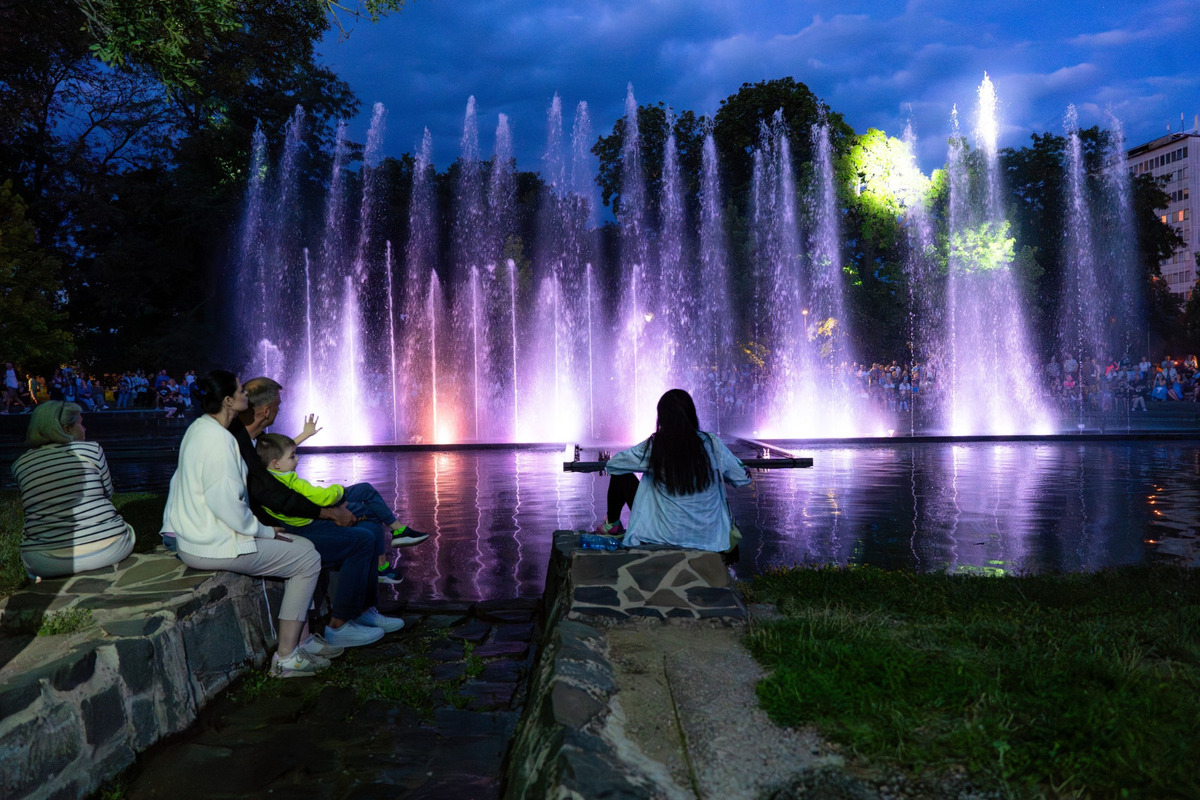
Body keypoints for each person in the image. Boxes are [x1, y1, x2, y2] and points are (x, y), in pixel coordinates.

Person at [160, 370, 334, 678]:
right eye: (241, 391)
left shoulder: (201, 429)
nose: (246, 395)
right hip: (210, 543)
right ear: (228, 401)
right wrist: (264, 530)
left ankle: (302, 642)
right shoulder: (220, 443)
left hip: (199, 536)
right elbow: (226, 505)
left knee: (302, 546)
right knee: (307, 557)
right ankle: (286, 657)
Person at [231, 376, 404, 646]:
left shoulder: (257, 441)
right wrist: (328, 512)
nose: (279, 410)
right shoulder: (239, 446)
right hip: (283, 526)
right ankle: (339, 624)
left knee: (370, 527)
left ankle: (364, 611)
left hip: (295, 515)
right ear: (266, 411)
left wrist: (329, 507)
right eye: (278, 405)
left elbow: (284, 482)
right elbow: (275, 497)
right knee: (362, 539)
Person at [256, 432, 428, 584]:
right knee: (371, 511)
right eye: (293, 456)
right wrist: (338, 490)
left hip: (312, 506)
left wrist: (305, 434)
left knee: (366, 490)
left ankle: (396, 536)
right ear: (276, 463)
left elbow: (279, 452)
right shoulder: (293, 482)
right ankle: (384, 562)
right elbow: (324, 497)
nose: (298, 458)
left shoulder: (270, 474)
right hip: (316, 512)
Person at [595, 389, 751, 552]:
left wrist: (649, 468)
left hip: (660, 534)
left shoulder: (655, 446)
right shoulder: (712, 444)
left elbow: (614, 465)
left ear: (662, 417)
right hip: (710, 538)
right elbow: (742, 479)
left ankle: (612, 525)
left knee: (622, 475)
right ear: (691, 414)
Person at [12, 401, 135, 579]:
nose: (84, 429)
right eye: (81, 423)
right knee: (127, 530)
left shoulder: (20, 464)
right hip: (106, 548)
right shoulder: (91, 450)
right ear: (67, 429)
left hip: (42, 560)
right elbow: (107, 492)